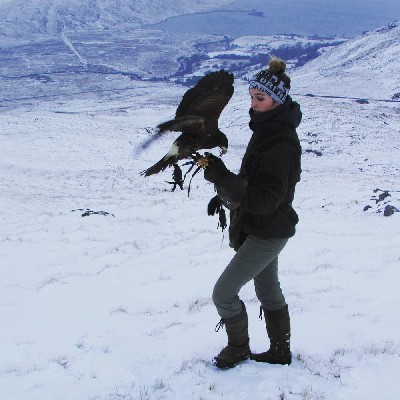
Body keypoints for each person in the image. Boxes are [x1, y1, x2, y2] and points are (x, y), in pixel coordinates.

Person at [203, 57, 302, 369]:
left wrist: (222, 178)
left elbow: (265, 199)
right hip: (266, 226)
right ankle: (280, 351)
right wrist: (224, 194)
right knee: (268, 288)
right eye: (252, 97)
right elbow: (253, 185)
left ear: (277, 101)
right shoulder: (267, 130)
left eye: (260, 99)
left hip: (266, 231)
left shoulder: (280, 142)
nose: (253, 104)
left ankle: (238, 348)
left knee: (223, 292)